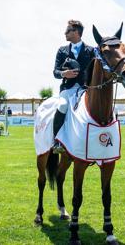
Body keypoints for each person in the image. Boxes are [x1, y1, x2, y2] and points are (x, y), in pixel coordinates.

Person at [52, 20, 95, 153]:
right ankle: (56, 142)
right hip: (67, 89)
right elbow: (55, 72)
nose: (65, 33)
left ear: (76, 32)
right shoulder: (62, 50)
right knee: (63, 106)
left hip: (85, 89)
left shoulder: (91, 50)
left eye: (67, 31)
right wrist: (64, 73)